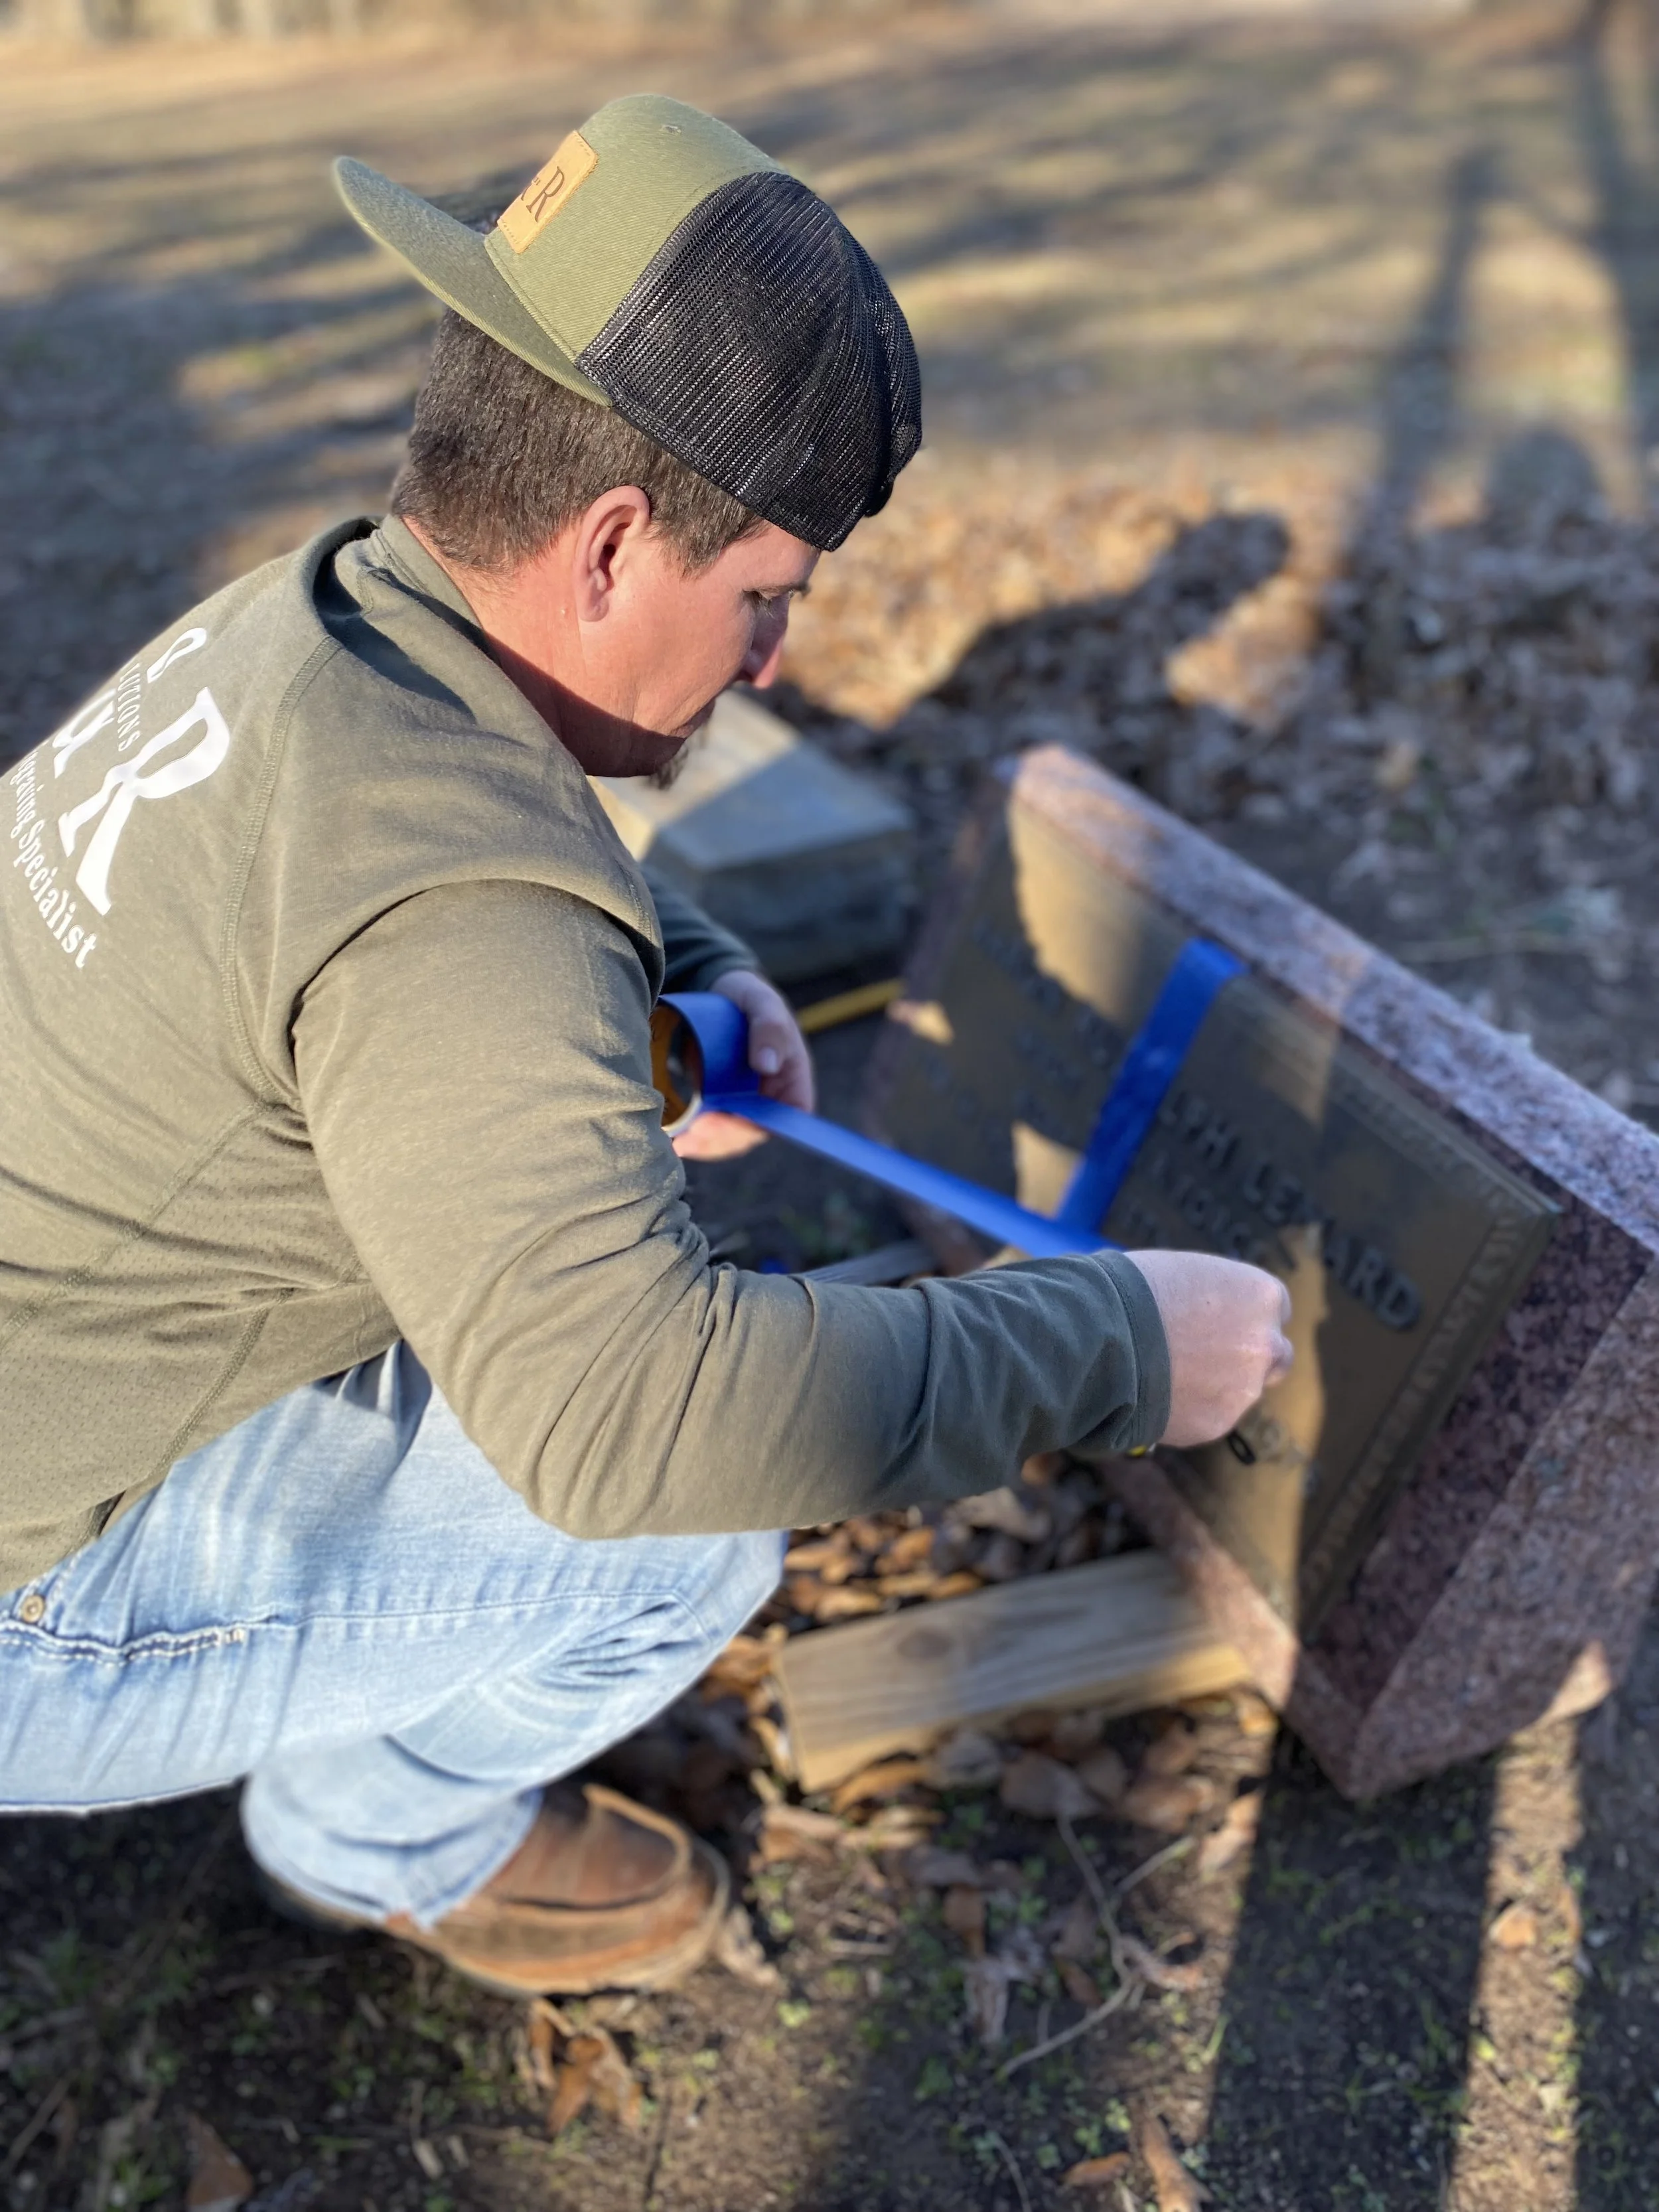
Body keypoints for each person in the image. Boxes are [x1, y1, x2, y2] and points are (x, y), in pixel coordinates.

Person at [0, 94, 1291, 1996]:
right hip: (28, 1586)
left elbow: (459, 886)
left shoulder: (304, 620)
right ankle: (377, 1839)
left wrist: (666, 957)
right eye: (764, 595)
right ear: (611, 543)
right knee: (679, 1539)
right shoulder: (457, 929)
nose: (772, 657)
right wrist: (1120, 1344)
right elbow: (630, 1425)